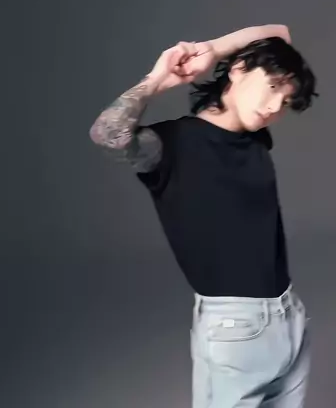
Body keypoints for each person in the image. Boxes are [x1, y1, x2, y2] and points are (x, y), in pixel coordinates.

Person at [89, 24, 318, 408]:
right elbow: (107, 133)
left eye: (286, 101)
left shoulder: (253, 136)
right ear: (240, 69)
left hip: (289, 316)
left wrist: (211, 49)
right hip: (236, 328)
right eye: (272, 86)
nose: (274, 106)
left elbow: (280, 34)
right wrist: (157, 80)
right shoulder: (172, 145)